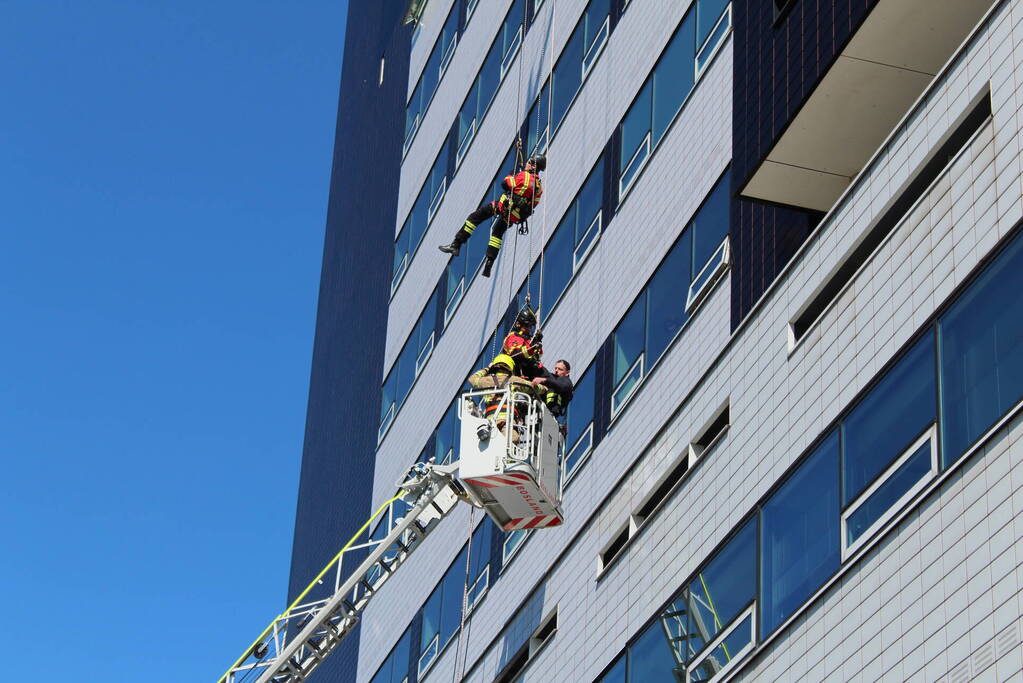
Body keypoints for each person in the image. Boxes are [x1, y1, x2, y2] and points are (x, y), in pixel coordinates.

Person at [438, 155, 546, 277]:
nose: (526, 163)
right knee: (497, 234)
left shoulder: (524, 176)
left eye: (529, 162)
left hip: (503, 206)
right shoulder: (539, 187)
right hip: (514, 216)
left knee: (475, 217)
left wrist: (512, 175)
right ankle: (489, 264)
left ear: (534, 166)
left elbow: (506, 184)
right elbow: (533, 205)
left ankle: (456, 244)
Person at [467, 308, 539, 390]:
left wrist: (488, 369)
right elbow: (516, 354)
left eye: (530, 326)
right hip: (521, 376)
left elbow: (472, 379)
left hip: (495, 397)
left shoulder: (488, 381)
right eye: (527, 326)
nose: (529, 329)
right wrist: (532, 347)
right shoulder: (514, 380)